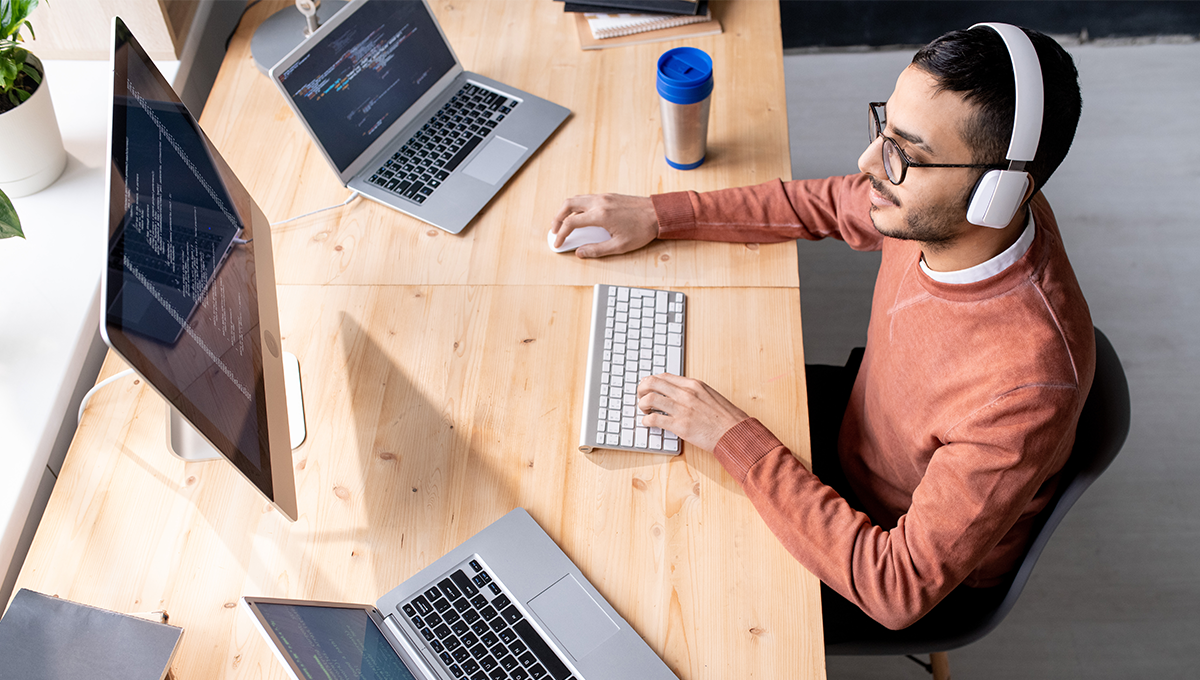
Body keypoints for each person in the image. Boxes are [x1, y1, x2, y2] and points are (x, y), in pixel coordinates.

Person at [550, 25, 1095, 638]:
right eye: (882, 128)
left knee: (652, 590)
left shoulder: (1025, 386)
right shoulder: (938, 211)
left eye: (904, 154)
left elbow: (898, 587)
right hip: (857, 434)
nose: (869, 165)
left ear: (997, 193)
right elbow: (829, 203)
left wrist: (734, 438)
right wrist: (661, 214)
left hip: (882, 553)